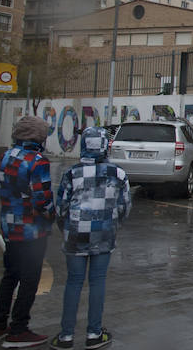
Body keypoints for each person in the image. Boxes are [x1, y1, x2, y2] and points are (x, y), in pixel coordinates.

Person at [49, 127, 130, 350]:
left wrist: (64, 228)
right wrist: (114, 225)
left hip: (75, 234)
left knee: (73, 281)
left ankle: (66, 336)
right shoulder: (118, 174)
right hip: (103, 234)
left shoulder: (71, 174)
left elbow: (61, 207)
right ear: (106, 146)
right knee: (98, 281)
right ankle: (94, 333)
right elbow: (124, 207)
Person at [0, 116, 54, 348]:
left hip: (9, 226)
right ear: (40, 137)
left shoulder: (6, 156)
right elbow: (42, 200)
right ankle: (19, 329)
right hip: (31, 231)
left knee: (10, 275)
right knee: (29, 279)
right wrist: (53, 218)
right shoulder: (37, 161)